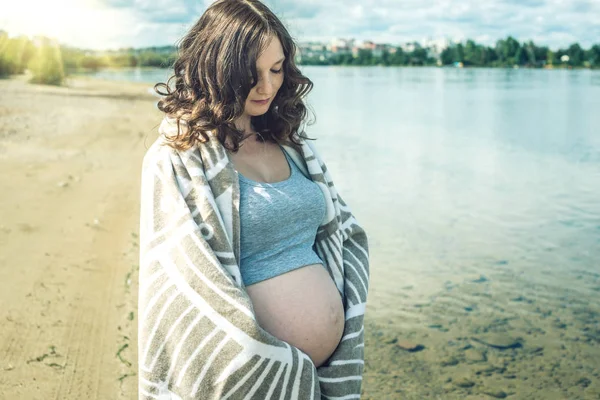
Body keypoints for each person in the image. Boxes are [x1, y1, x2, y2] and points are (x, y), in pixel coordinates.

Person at [138, 1, 370, 399]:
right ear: (217, 68)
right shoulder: (180, 156)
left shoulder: (292, 146)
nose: (267, 87)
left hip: (317, 376)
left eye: (276, 69)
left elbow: (338, 235)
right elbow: (184, 276)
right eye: (251, 74)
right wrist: (269, 353)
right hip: (246, 374)